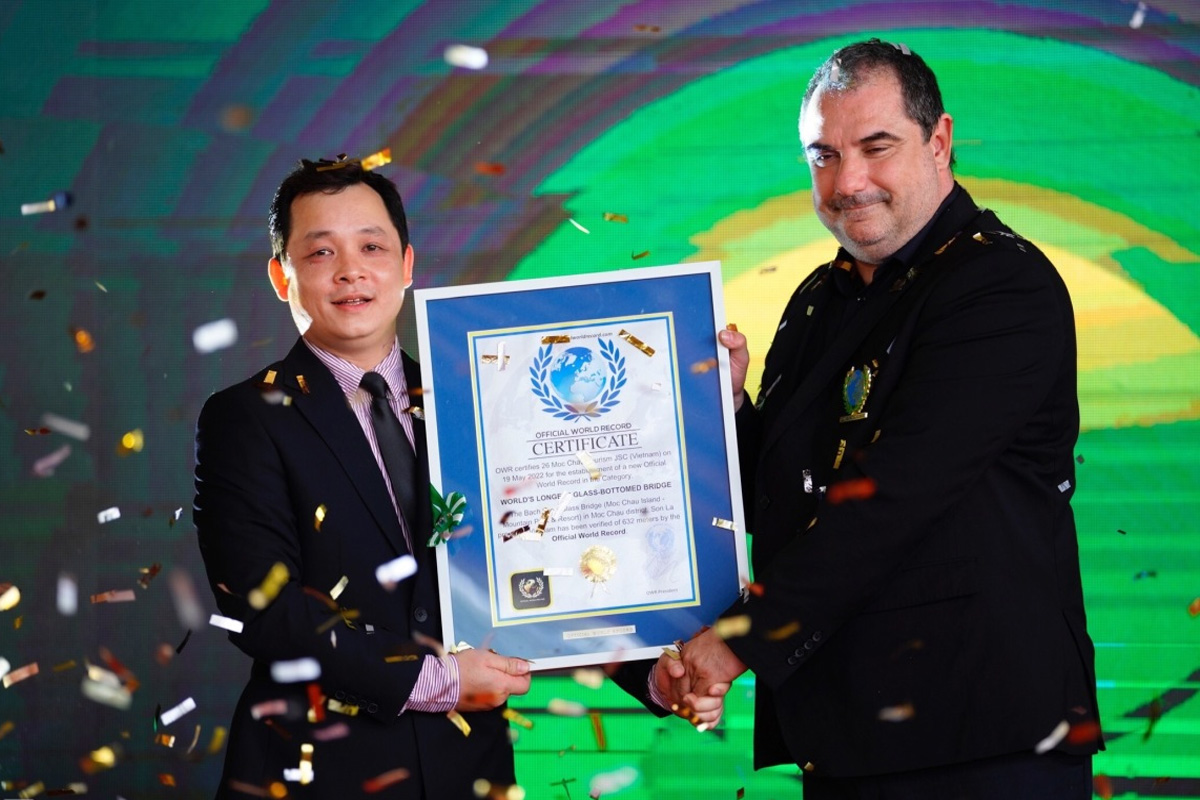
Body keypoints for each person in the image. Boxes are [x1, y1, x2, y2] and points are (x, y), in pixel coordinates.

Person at [641, 39, 1103, 797]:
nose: (848, 181)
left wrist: (733, 643)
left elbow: (892, 497)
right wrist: (724, 407)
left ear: (940, 140)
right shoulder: (818, 299)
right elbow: (787, 496)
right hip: (850, 739)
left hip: (982, 738)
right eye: (822, 155)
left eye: (875, 147)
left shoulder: (1000, 285)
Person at [194, 158, 531, 798]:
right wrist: (438, 681)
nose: (350, 270)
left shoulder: (474, 400)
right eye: (320, 252)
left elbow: (541, 555)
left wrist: (650, 673)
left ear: (406, 264)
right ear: (280, 276)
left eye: (371, 247)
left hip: (471, 767)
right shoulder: (245, 418)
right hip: (318, 770)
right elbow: (265, 609)